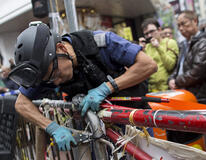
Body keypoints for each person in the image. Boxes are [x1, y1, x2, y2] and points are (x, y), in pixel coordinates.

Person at [9, 22, 157, 152]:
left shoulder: (101, 42)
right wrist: (52, 127)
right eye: (50, 80)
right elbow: (21, 104)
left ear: (61, 48)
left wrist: (107, 87)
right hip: (98, 134)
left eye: (55, 75)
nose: (55, 82)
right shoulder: (47, 68)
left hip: (134, 123)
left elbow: (148, 65)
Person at [167, 10, 206, 154]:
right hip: (185, 96)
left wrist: (177, 81)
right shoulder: (183, 44)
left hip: (200, 96)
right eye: (178, 25)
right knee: (193, 140)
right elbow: (177, 68)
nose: (181, 28)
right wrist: (171, 79)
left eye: (184, 24)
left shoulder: (205, 42)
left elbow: (198, 71)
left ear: (195, 21)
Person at [141, 18, 179, 92]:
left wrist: (158, 47)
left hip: (168, 88)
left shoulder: (170, 43)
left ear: (159, 30)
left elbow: (170, 66)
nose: (149, 35)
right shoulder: (147, 47)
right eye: (146, 34)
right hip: (152, 90)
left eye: (151, 31)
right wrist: (140, 50)